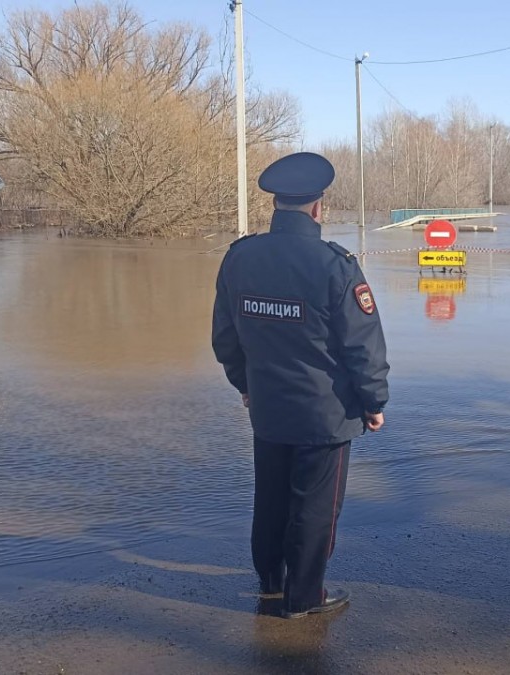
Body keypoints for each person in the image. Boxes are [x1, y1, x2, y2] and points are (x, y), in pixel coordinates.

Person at [212, 151, 390, 619]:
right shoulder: (336, 266)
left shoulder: (239, 258)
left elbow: (225, 336)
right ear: (319, 208)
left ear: (275, 205)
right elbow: (363, 346)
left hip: (268, 406)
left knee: (270, 496)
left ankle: (270, 581)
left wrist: (245, 385)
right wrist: (374, 402)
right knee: (315, 506)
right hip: (326, 414)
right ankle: (305, 596)